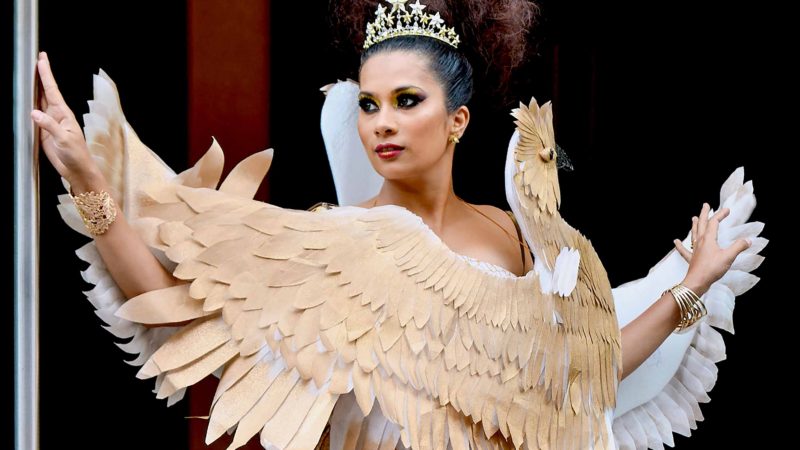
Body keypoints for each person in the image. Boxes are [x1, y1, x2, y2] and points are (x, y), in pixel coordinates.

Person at [32, 0, 762, 448]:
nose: (382, 123)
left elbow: (578, 385)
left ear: (458, 120)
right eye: (370, 103)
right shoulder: (335, 243)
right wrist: (89, 178)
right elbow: (177, 311)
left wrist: (689, 288)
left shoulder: (512, 237)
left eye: (407, 100)